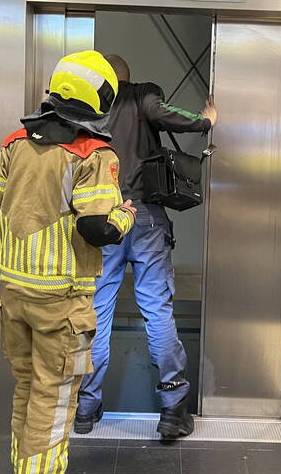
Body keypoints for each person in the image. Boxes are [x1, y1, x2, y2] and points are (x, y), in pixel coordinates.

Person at [0, 50, 136, 474]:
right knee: (55, 393)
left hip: (15, 295)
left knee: (28, 387)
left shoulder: (16, 141)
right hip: (62, 301)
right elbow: (96, 229)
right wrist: (124, 217)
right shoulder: (93, 154)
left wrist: (20, 263)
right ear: (101, 99)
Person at [74, 53, 217, 440]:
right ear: (129, 76)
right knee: (157, 309)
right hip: (145, 217)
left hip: (102, 220)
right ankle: (173, 410)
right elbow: (161, 111)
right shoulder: (141, 95)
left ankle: (86, 408)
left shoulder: (90, 106)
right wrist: (205, 121)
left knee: (97, 312)